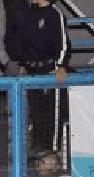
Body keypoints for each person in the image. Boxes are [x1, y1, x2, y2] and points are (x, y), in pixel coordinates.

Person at [18, 0, 69, 161]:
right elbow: (24, 43)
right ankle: (39, 152)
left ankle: (53, 153)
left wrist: (59, 65)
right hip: (32, 72)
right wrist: (23, 64)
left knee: (51, 115)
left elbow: (63, 43)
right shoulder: (30, 14)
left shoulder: (55, 14)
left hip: (49, 72)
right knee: (36, 113)